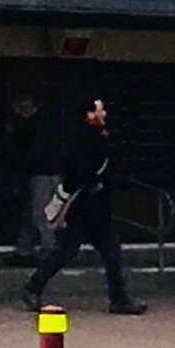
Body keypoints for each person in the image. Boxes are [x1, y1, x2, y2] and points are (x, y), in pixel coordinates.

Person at [23, 96, 147, 314]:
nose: (104, 114)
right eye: (100, 110)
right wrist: (93, 181)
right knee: (66, 252)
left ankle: (119, 299)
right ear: (89, 115)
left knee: (110, 254)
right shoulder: (82, 138)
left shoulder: (98, 136)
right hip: (83, 209)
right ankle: (33, 287)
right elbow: (77, 167)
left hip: (96, 211)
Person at [9, 89, 65, 264]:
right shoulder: (45, 122)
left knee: (39, 214)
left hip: (42, 174)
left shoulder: (37, 125)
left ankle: (49, 249)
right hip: (48, 173)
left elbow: (34, 152)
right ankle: (23, 248)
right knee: (31, 213)